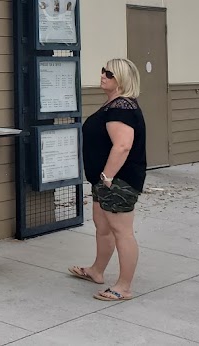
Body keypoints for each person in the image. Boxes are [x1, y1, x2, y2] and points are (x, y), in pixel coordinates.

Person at [69, 57, 147, 301]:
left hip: (117, 181)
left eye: (110, 74)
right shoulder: (113, 105)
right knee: (103, 226)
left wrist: (107, 177)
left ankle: (124, 287)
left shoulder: (120, 108)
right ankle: (96, 271)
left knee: (122, 231)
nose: (103, 75)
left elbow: (123, 146)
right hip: (104, 180)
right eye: (103, 71)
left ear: (122, 80)